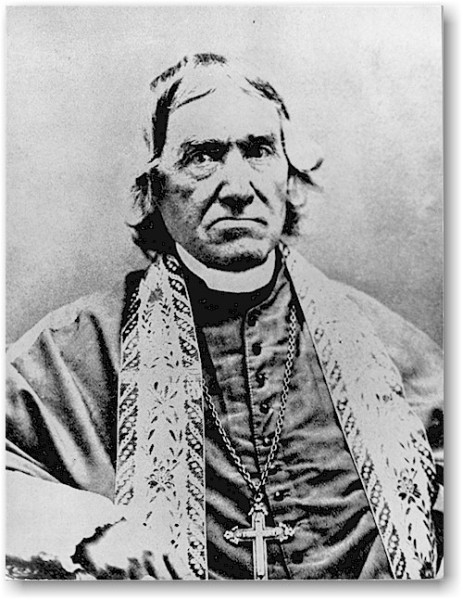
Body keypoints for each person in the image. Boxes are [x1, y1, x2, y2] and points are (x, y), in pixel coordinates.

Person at [6, 52, 443, 580]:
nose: (238, 189)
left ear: (288, 176)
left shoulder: (385, 346)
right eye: (204, 156)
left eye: (258, 151)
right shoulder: (71, 353)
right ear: (154, 188)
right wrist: (90, 533)